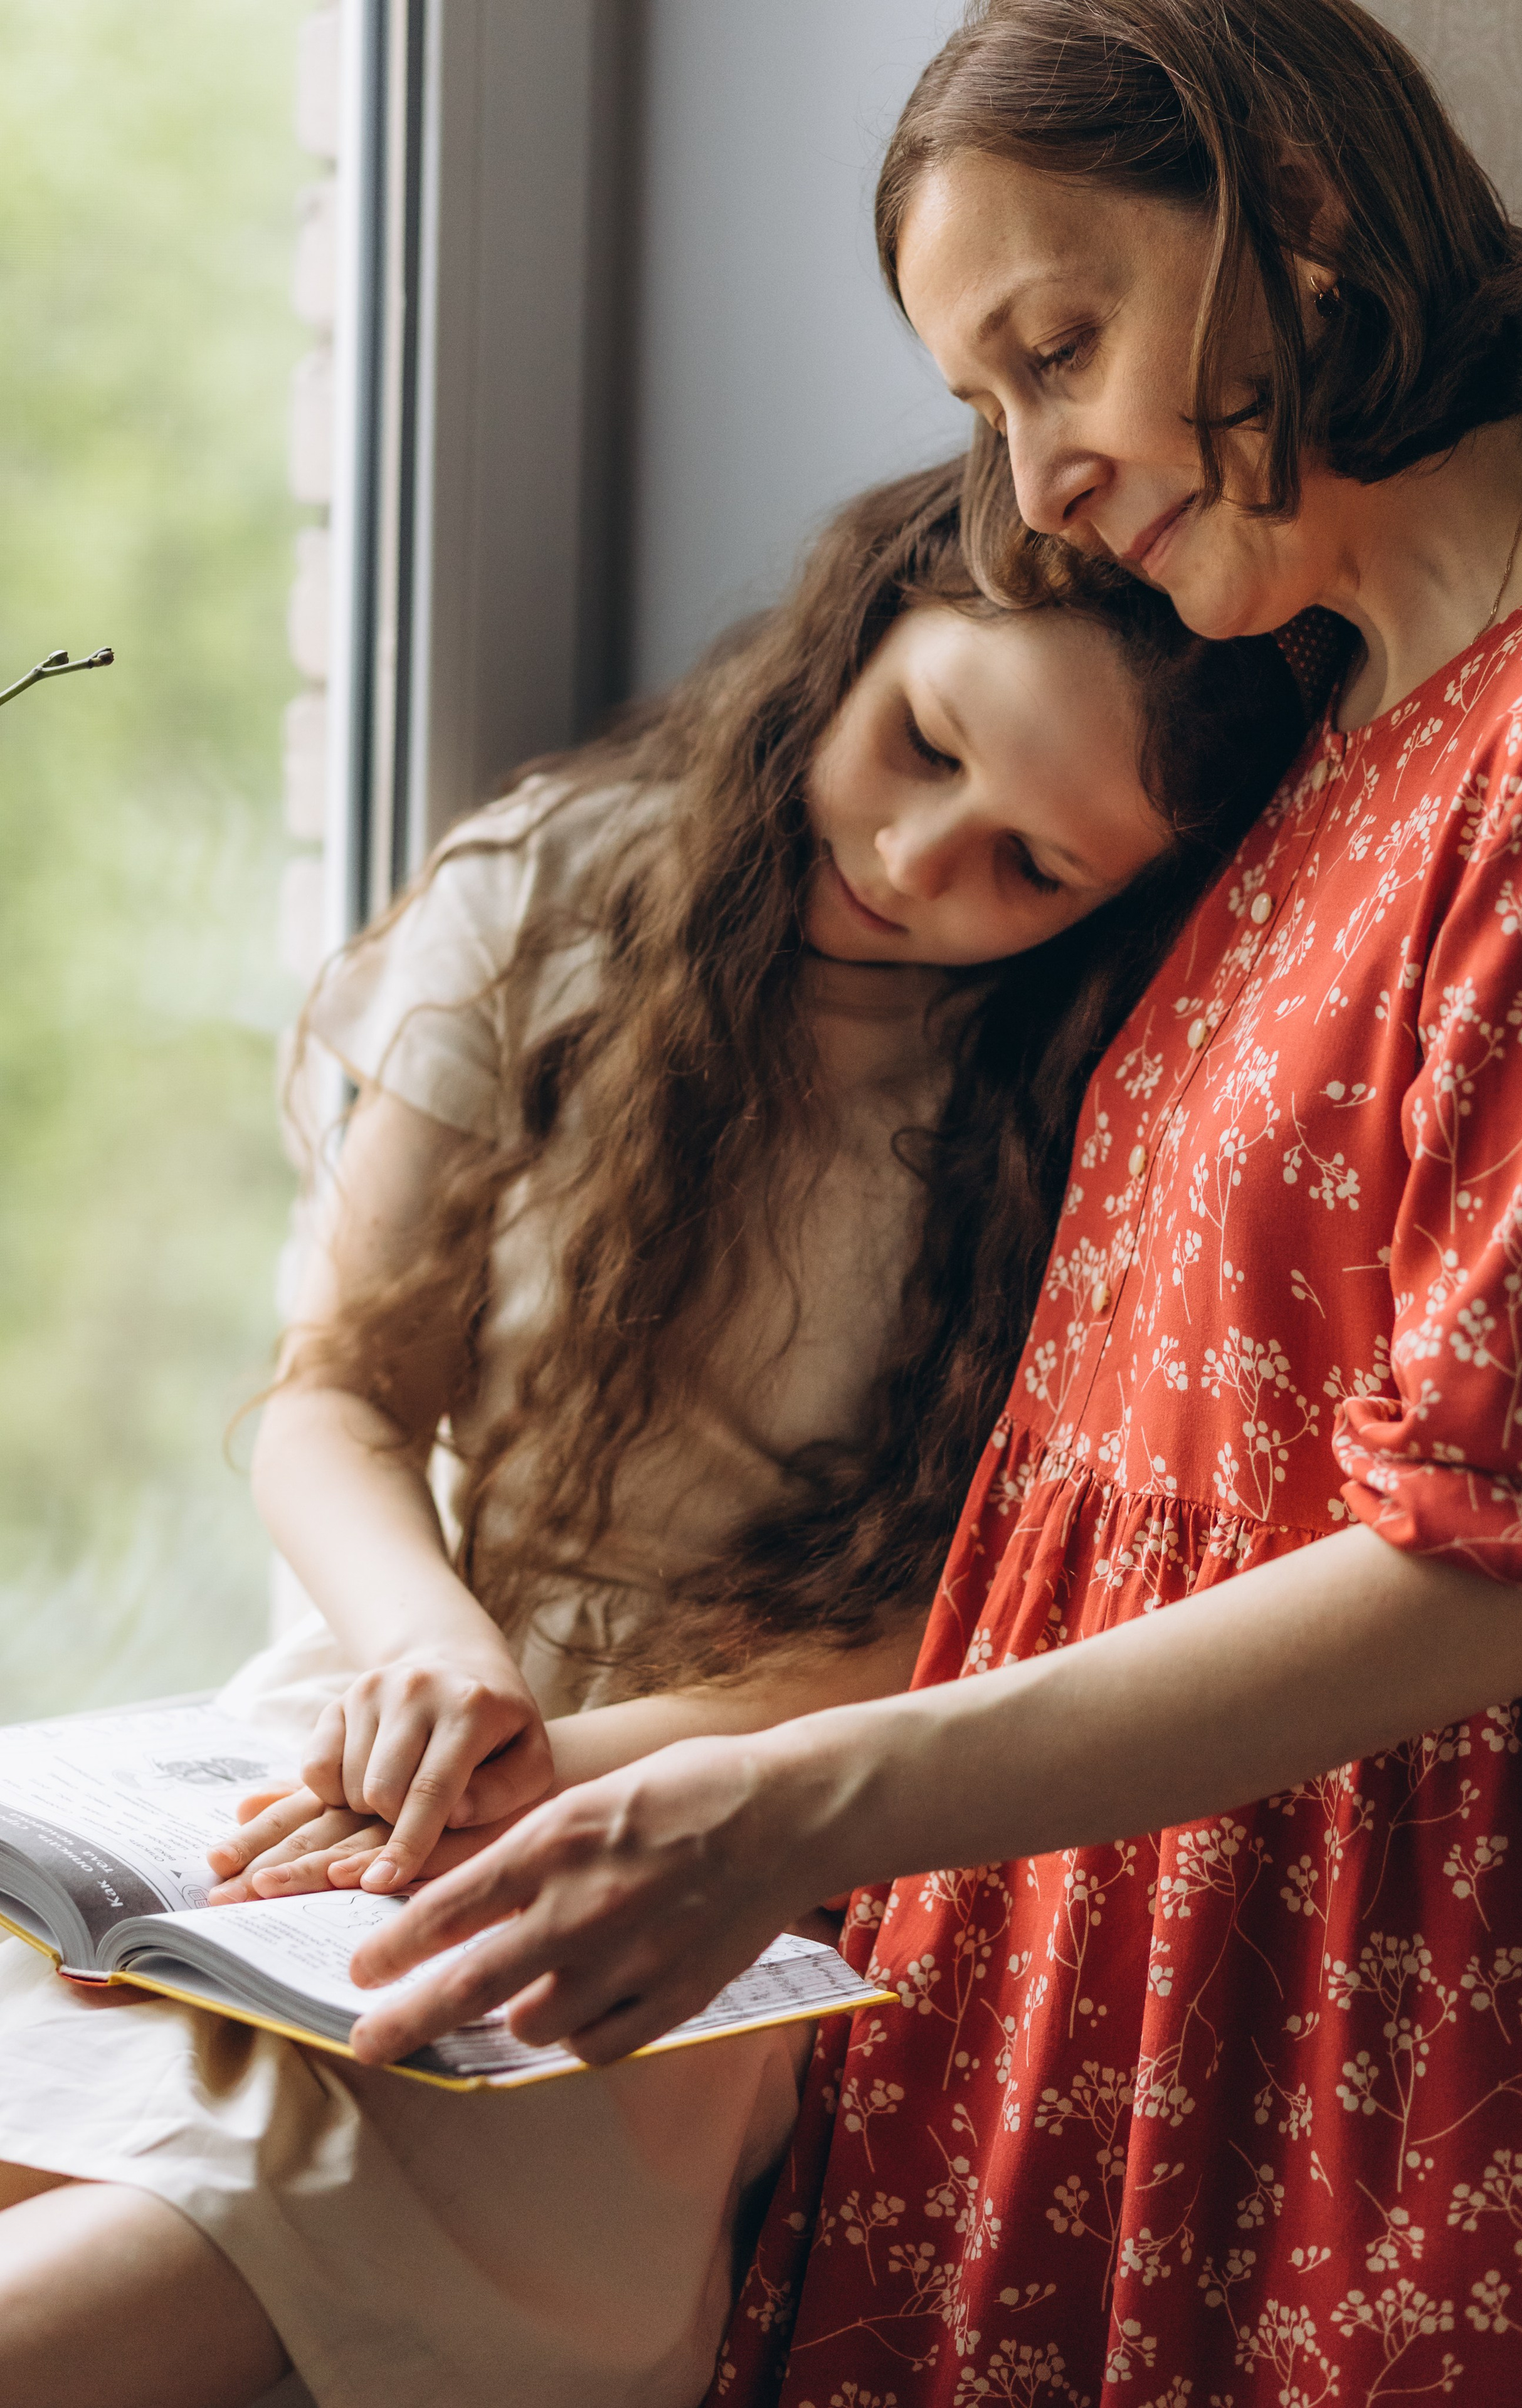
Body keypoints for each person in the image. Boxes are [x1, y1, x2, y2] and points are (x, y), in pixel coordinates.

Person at [336, 4, 1522, 2402]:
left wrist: (790, 1796)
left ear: (1301, 229)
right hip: (1090, 1970)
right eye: (977, 406)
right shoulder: (1342, 714)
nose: (1027, 488)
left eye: (1060, 345)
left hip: (1357, 2025)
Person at [0, 457, 1306, 2408]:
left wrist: (566, 1762)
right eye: (922, 743)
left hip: (729, 1811)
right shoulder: (547, 889)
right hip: (382, 1697)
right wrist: (439, 1661)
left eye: (1034, 867)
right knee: (80, 2033)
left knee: (270, 2170)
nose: (923, 855)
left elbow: (969, 1630)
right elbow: (335, 1396)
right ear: (855, 636)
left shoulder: (1087, 1103)